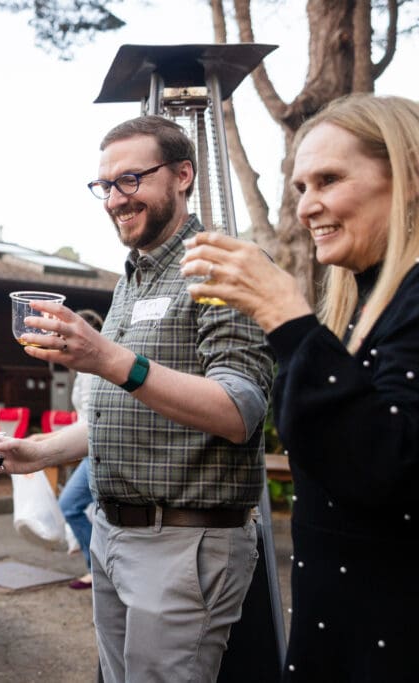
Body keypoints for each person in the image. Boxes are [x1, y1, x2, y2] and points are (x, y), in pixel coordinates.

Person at [0, 115, 274, 682]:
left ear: (183, 175)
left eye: (131, 180)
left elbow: (239, 410)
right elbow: (128, 408)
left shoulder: (219, 266)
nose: (115, 199)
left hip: (184, 543)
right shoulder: (132, 278)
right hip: (112, 534)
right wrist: (41, 451)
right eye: (105, 185)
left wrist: (109, 359)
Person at [181, 93, 419, 681]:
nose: (308, 207)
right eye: (300, 188)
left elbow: (386, 463)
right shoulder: (360, 303)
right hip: (343, 631)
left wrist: (286, 315)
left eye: (329, 180)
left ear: (410, 176)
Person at [57, 308, 103, 590]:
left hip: (91, 447)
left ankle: (95, 568)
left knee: (70, 505)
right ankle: (99, 567)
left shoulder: (88, 372)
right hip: (84, 444)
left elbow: (88, 417)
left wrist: (57, 443)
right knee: (92, 509)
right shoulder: (81, 371)